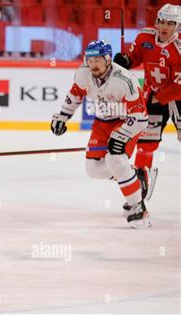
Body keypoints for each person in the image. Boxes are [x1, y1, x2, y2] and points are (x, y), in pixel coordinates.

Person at [51, 40, 153, 228]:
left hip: (126, 121)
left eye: (97, 59)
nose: (93, 64)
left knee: (115, 159)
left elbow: (141, 116)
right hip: (102, 123)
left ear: (107, 59)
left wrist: (122, 135)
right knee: (94, 169)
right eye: (90, 60)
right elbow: (75, 94)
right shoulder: (83, 74)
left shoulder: (124, 80)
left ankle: (138, 208)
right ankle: (135, 175)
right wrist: (62, 116)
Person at [113, 3, 180, 202]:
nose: (164, 26)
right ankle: (141, 184)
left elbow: (178, 86)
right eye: (161, 21)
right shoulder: (145, 38)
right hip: (154, 95)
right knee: (145, 144)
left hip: (177, 98)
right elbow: (135, 57)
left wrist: (158, 97)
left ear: (178, 26)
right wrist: (125, 60)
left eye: (170, 23)